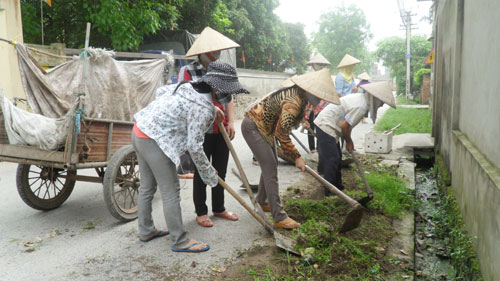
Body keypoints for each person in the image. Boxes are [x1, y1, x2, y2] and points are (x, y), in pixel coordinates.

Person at [132, 62, 248, 252]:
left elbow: (162, 92)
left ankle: (146, 230)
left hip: (140, 128)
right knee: (171, 191)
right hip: (155, 140)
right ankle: (180, 240)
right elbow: (194, 146)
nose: (227, 95)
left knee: (147, 186)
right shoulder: (203, 107)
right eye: (226, 89)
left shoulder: (189, 85)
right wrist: (208, 172)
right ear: (216, 86)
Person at [242, 69, 339, 229]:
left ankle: (262, 200)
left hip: (264, 127)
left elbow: (289, 115)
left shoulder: (299, 95)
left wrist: (303, 121)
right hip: (253, 127)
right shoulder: (293, 101)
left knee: (269, 165)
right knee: (270, 167)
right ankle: (279, 217)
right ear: (310, 91)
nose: (320, 98)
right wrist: (297, 156)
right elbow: (282, 134)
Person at [179, 26, 243, 227]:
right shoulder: (187, 71)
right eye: (213, 52)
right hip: (201, 130)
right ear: (202, 53)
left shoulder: (221, 69)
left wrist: (231, 121)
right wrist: (209, 109)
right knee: (201, 169)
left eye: (218, 52)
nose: (216, 55)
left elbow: (229, 96)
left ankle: (219, 208)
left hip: (221, 128)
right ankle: (201, 211)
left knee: (221, 170)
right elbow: (185, 100)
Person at [313, 81, 396, 196]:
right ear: (375, 99)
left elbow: (347, 125)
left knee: (337, 158)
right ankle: (330, 193)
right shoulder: (361, 106)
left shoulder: (361, 98)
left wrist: (348, 142)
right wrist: (349, 142)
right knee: (332, 160)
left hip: (329, 125)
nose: (381, 105)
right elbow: (344, 126)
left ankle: (339, 188)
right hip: (325, 125)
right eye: (381, 102)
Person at [304, 53, 332, 152]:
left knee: (321, 125)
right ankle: (312, 147)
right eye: (318, 64)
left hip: (323, 103)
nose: (320, 66)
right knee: (310, 124)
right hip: (311, 103)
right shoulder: (310, 76)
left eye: (321, 64)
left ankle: (320, 146)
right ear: (313, 65)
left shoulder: (326, 76)